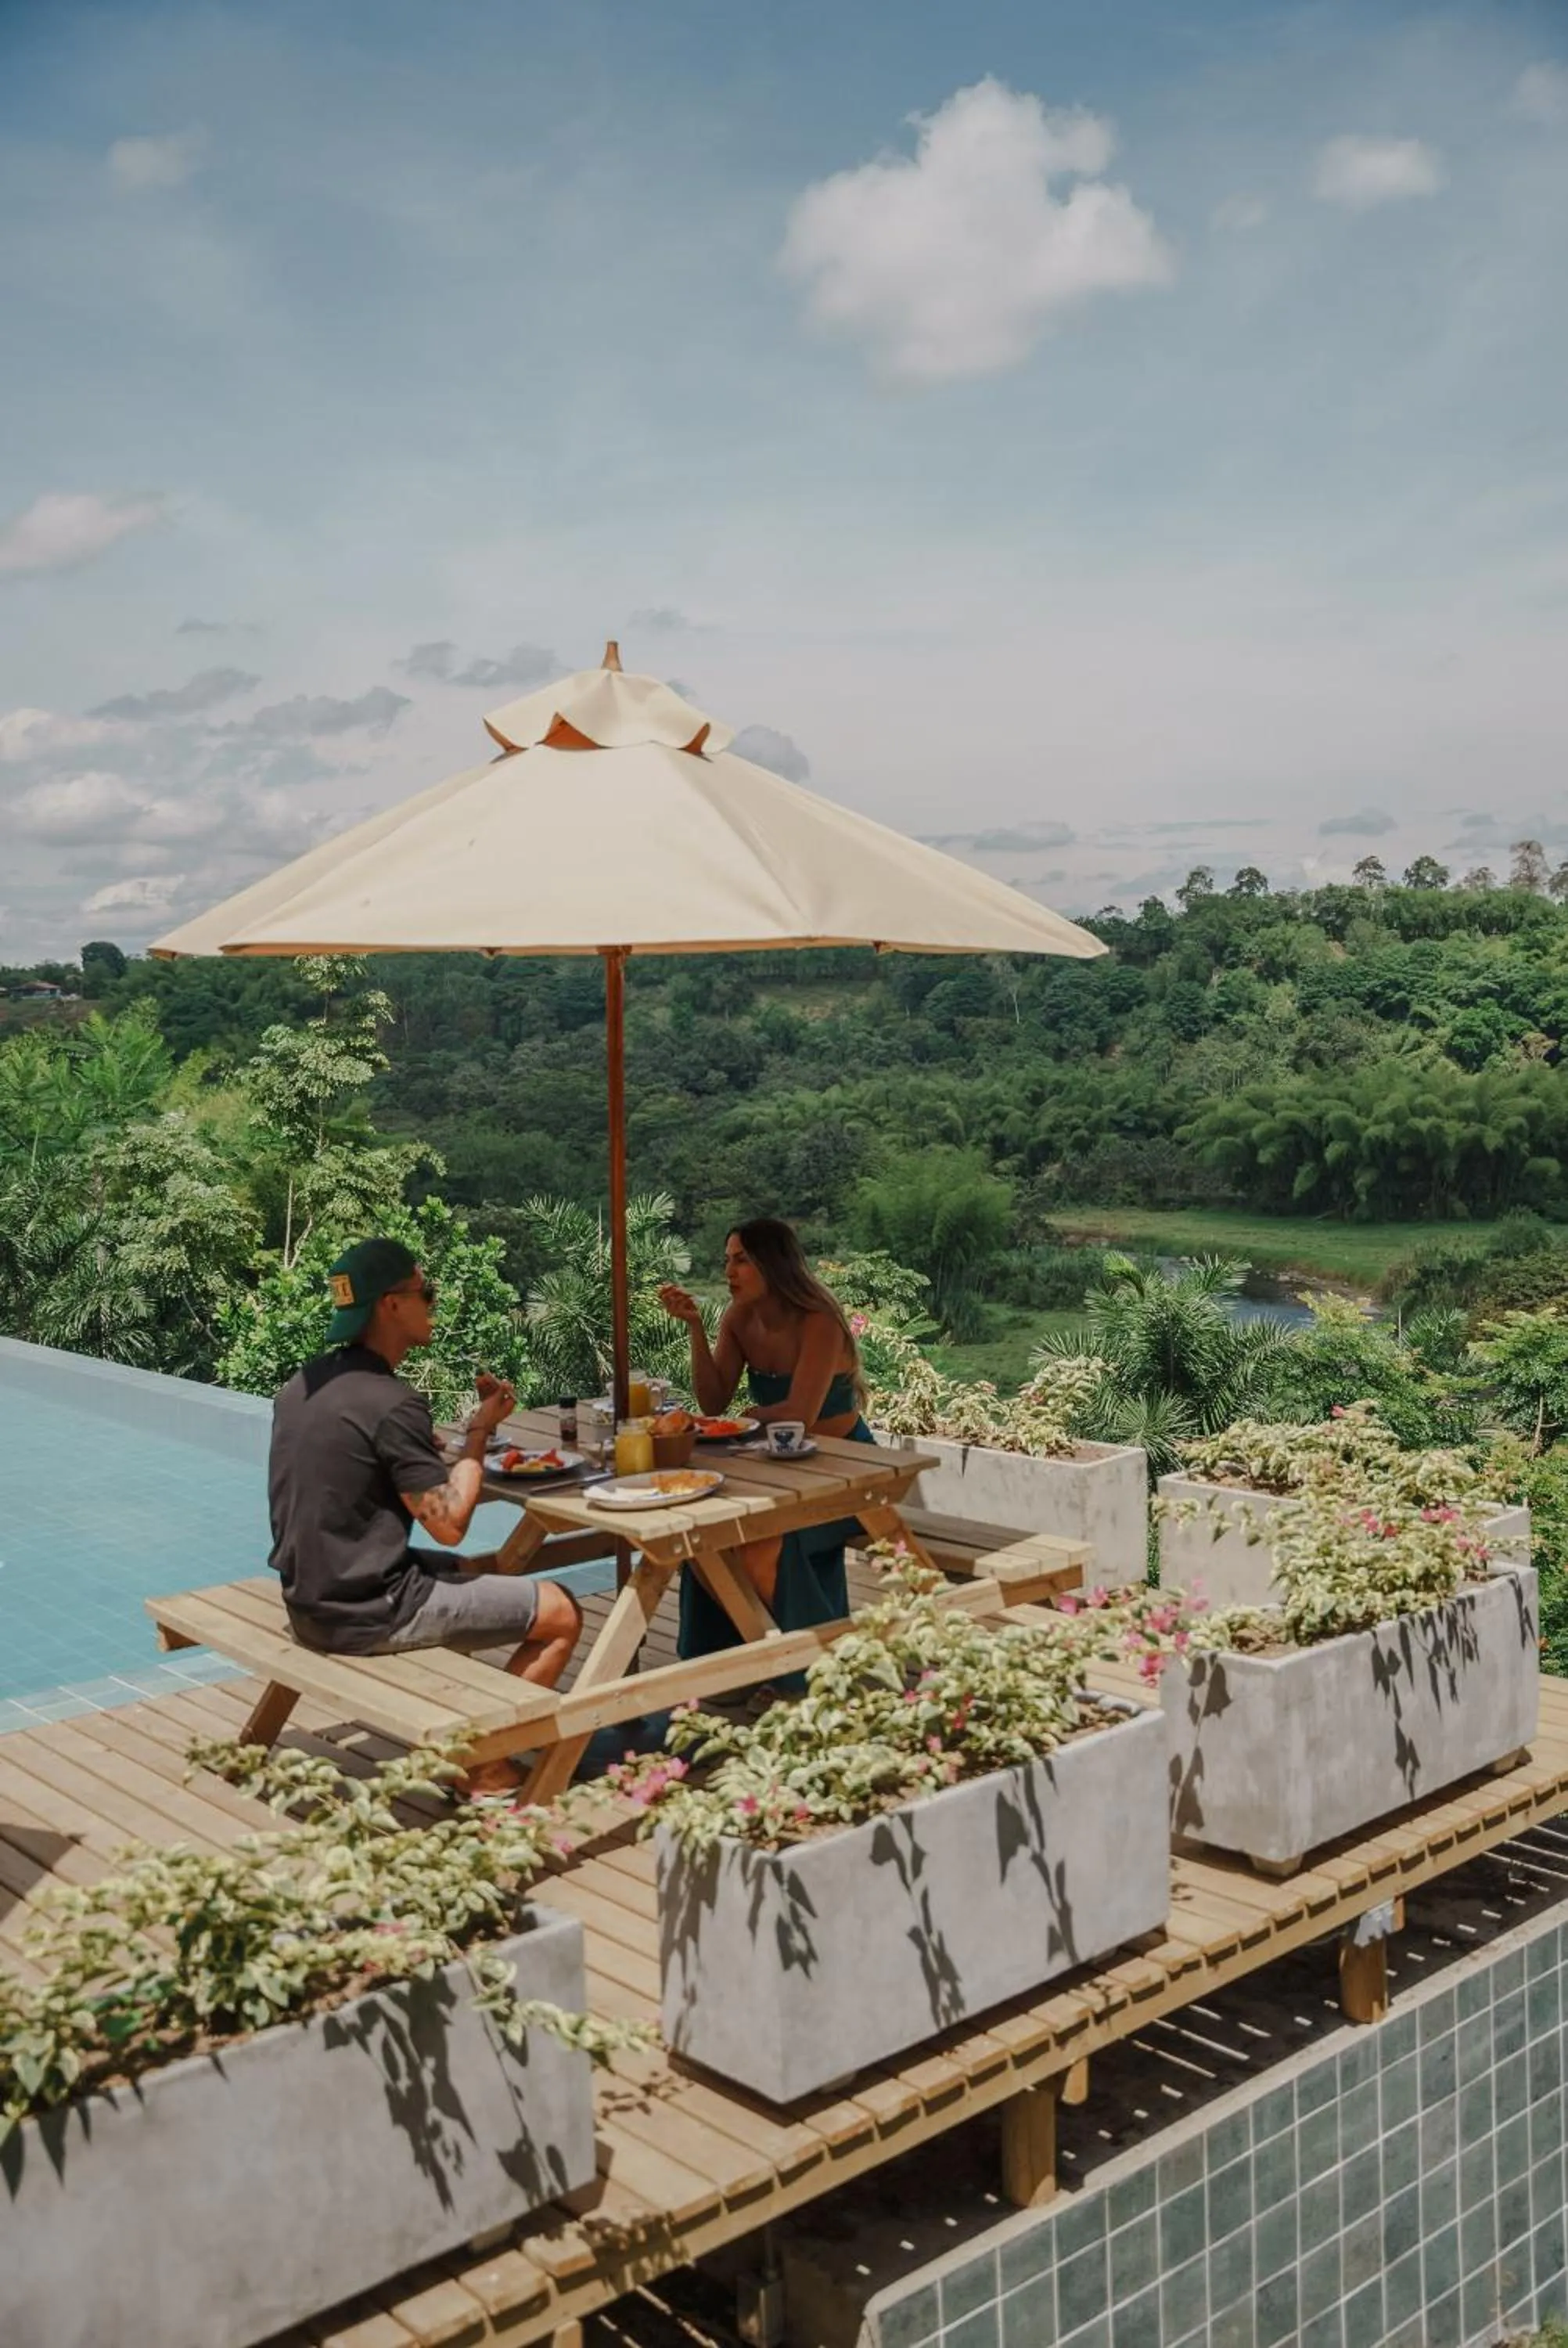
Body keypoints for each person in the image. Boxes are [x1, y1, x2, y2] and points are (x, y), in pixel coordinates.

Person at [268, 1236, 581, 1796]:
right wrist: (480, 1433)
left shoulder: (302, 1386)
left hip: (309, 1598)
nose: (432, 1304)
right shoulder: (392, 1403)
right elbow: (450, 1519)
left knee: (471, 1573)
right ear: (390, 1305)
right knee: (561, 1611)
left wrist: (429, 1446)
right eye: (425, 1292)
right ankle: (482, 1767)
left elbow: (364, 1462)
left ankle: (476, 1742)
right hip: (369, 1611)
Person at [658, 1216, 872, 1660]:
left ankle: (806, 1666)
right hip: (778, 1469)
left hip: (848, 1472)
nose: (729, 1272)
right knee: (704, 1535)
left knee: (765, 1542)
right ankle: (726, 1658)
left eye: (742, 1261)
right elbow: (714, 1401)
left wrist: (750, 1416)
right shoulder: (739, 1318)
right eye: (727, 1261)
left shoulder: (819, 1321)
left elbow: (800, 1415)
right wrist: (695, 1327)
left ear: (773, 1265)